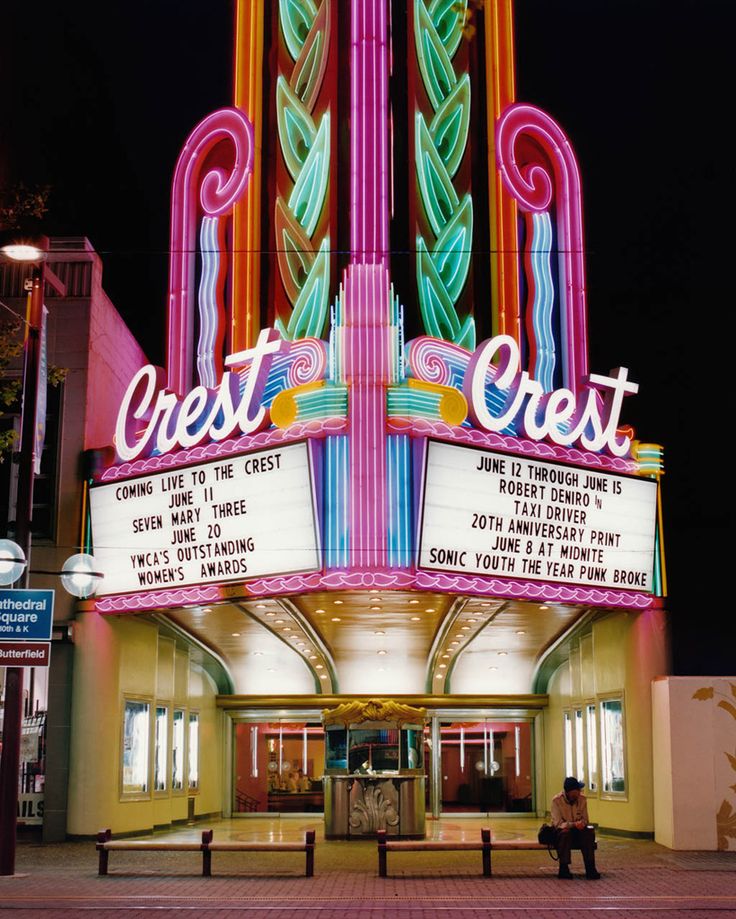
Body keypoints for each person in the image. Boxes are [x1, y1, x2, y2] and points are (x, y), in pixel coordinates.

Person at [550, 776, 601, 879]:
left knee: (588, 833)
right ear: (569, 792)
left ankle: (590, 868)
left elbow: (585, 819)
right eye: (576, 790)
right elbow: (558, 823)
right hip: (563, 832)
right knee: (565, 834)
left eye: (579, 790)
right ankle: (564, 868)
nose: (578, 793)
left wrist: (582, 823)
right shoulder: (556, 801)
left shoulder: (582, 800)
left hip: (578, 830)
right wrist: (573, 824)